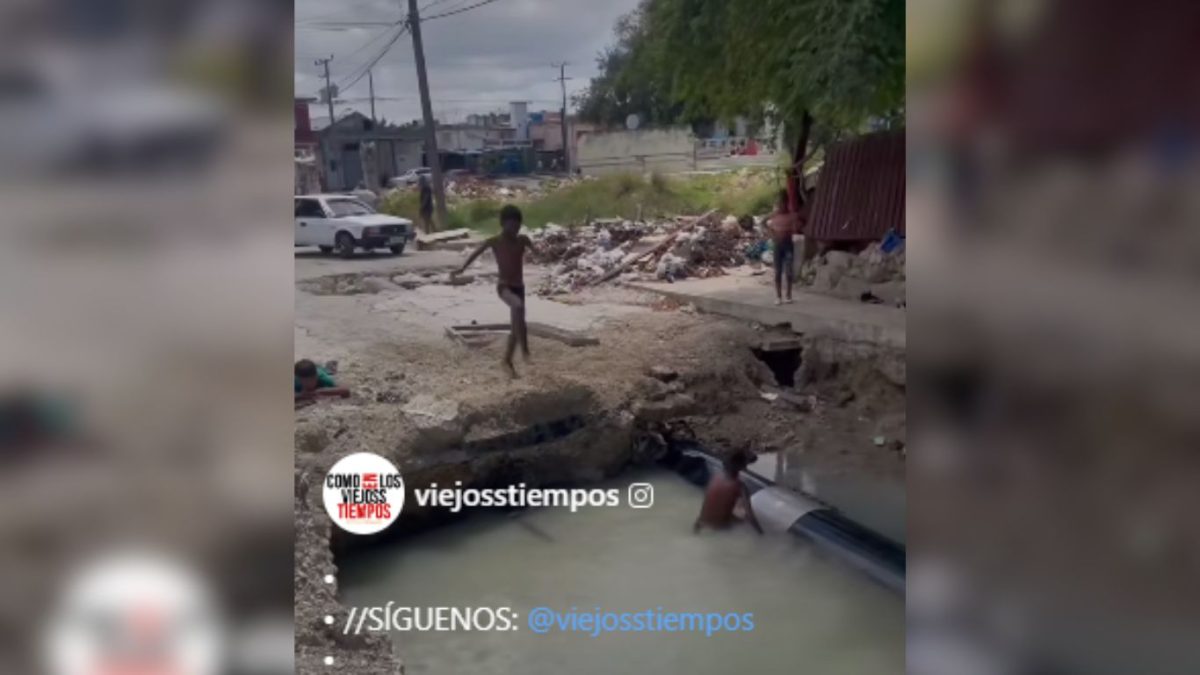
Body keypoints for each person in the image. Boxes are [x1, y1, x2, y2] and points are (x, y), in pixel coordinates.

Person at [453, 205, 534, 377]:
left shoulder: (522, 240)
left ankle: (507, 361)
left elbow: (539, 253)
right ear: (503, 223)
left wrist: (542, 253)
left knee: (517, 325)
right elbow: (475, 254)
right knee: (518, 307)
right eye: (512, 225)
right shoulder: (495, 241)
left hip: (519, 287)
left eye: (518, 226)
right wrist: (461, 268)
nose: (515, 229)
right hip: (504, 287)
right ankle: (525, 350)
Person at [693, 449, 764, 534]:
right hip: (720, 528)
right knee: (742, 515)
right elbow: (750, 517)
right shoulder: (740, 487)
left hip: (699, 524)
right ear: (743, 467)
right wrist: (761, 534)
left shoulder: (715, 477)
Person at [768, 190, 796, 305]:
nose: (781, 205)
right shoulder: (774, 215)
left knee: (789, 271)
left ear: (787, 203)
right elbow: (763, 223)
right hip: (778, 246)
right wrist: (772, 234)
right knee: (778, 271)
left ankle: (788, 295)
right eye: (780, 203)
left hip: (788, 245)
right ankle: (778, 296)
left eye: (783, 203)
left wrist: (792, 230)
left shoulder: (792, 215)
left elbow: (800, 224)